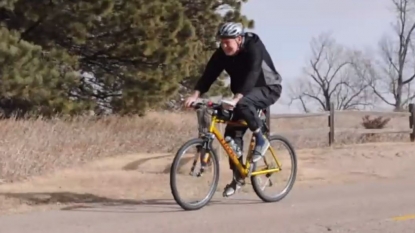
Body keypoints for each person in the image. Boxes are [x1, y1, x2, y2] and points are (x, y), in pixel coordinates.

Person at [184, 22, 283, 197]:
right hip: (243, 95)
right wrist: (195, 95)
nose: (224, 46)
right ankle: (238, 179)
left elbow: (253, 73)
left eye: (227, 42)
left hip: (268, 88)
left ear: (239, 39)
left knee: (243, 103)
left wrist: (237, 98)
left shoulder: (253, 47)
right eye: (221, 42)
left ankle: (261, 139)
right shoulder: (222, 53)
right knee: (230, 136)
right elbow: (209, 74)